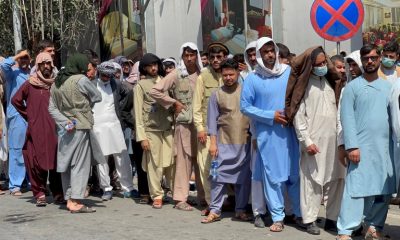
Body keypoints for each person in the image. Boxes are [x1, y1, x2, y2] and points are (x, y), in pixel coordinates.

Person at [241, 37, 301, 232]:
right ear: (258, 55)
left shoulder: (288, 73)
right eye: (265, 51)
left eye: (271, 50)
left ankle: (300, 214)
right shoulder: (253, 79)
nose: (269, 54)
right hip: (268, 134)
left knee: (294, 175)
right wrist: (270, 116)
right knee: (273, 177)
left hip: (291, 132)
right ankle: (277, 217)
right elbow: (245, 107)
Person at [336, 44, 397, 240]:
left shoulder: (389, 88)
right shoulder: (352, 88)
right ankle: (345, 230)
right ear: (362, 61)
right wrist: (351, 146)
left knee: (383, 189)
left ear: (379, 59)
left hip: (384, 148)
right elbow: (347, 119)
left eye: (373, 58)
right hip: (360, 148)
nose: (369, 61)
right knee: (356, 189)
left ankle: (374, 226)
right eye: (366, 58)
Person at [287, 47, 346, 235]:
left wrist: (341, 140)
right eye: (318, 64)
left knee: (336, 180)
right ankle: (310, 219)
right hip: (314, 142)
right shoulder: (304, 86)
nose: (322, 66)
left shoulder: (330, 82)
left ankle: (332, 218)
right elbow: (299, 117)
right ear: (309, 66)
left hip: (334, 141)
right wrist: (307, 142)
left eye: (323, 63)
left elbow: (337, 113)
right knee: (311, 182)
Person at [150, 42, 205, 211]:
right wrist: (174, 103)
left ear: (196, 56)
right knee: (183, 161)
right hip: (184, 124)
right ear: (182, 57)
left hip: (202, 124)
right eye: (186, 55)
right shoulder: (175, 74)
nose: (189, 58)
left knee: (202, 161)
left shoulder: (203, 74)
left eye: (192, 55)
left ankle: (204, 198)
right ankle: (180, 198)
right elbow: (155, 91)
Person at [48, 53, 104, 213]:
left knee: (66, 163)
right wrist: (84, 106)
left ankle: (69, 197)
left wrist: (65, 122)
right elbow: (97, 96)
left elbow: (51, 109)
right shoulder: (81, 79)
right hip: (80, 124)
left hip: (65, 128)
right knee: (80, 163)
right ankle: (75, 200)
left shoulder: (56, 83)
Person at [201, 59, 251, 223]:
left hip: (244, 142)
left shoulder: (246, 91)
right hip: (223, 142)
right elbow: (212, 122)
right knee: (217, 178)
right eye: (225, 75)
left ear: (237, 73)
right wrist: (213, 143)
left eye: (231, 74)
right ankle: (215, 210)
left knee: (243, 179)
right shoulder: (216, 94)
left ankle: (240, 210)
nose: (228, 78)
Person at [12, 52, 64, 207]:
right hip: (36, 128)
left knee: (56, 161)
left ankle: (58, 193)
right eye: (43, 64)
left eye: (49, 63)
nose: (46, 67)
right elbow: (16, 100)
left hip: (54, 128)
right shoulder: (30, 83)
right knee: (35, 161)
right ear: (38, 66)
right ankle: (39, 193)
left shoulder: (56, 83)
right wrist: (29, 115)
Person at [134, 53, 174, 209]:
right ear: (144, 68)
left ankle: (171, 192)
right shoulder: (140, 86)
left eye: (155, 65)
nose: (153, 68)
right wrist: (142, 137)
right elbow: (138, 113)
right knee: (154, 165)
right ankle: (157, 195)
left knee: (170, 163)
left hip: (167, 128)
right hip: (151, 130)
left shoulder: (166, 82)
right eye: (150, 66)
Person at [192, 42, 228, 215]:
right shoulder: (203, 77)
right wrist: (200, 128)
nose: (215, 60)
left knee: (228, 167)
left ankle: (230, 201)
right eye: (212, 57)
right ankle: (211, 203)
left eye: (219, 57)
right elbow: (196, 107)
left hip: (228, 132)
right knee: (207, 168)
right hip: (207, 132)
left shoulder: (231, 75)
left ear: (225, 57)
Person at [92, 61, 135, 201]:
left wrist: (122, 109)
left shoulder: (116, 83)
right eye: (104, 75)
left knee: (122, 154)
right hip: (97, 125)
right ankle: (106, 188)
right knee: (102, 158)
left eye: (109, 76)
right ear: (100, 73)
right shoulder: (91, 84)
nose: (106, 78)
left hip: (114, 124)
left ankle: (128, 187)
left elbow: (129, 94)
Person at [1, 50, 31, 196]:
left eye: (27, 58)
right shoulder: (12, 74)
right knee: (17, 150)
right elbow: (4, 65)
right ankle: (15, 185)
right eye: (22, 58)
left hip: (32, 115)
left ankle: (32, 182)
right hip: (17, 116)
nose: (25, 60)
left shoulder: (33, 74)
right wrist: (18, 56)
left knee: (32, 150)